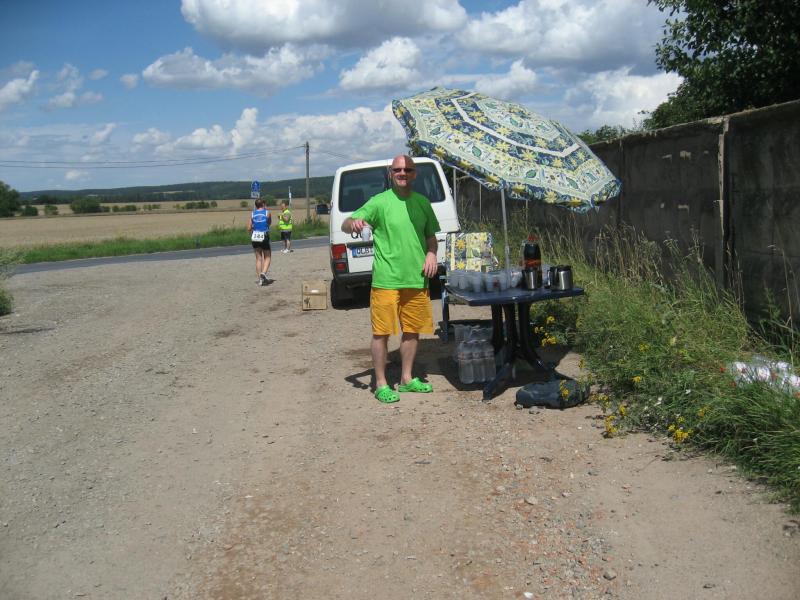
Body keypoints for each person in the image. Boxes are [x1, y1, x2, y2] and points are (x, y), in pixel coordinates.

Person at [342, 154, 439, 403]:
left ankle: (406, 379)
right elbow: (346, 223)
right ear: (391, 173)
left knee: (412, 331)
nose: (402, 173)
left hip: (417, 278)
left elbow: (431, 237)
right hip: (386, 279)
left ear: (414, 173)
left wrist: (431, 254)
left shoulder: (422, 202)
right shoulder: (379, 202)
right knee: (381, 333)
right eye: (397, 170)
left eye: (407, 169)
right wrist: (354, 223)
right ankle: (381, 384)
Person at [247, 198, 272, 286]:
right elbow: (269, 223)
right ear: (263, 204)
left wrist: (253, 231)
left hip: (255, 236)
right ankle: (263, 273)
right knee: (267, 256)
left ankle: (260, 280)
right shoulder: (267, 213)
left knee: (258, 258)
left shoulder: (252, 214)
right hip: (264, 235)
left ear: (256, 205)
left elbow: (249, 228)